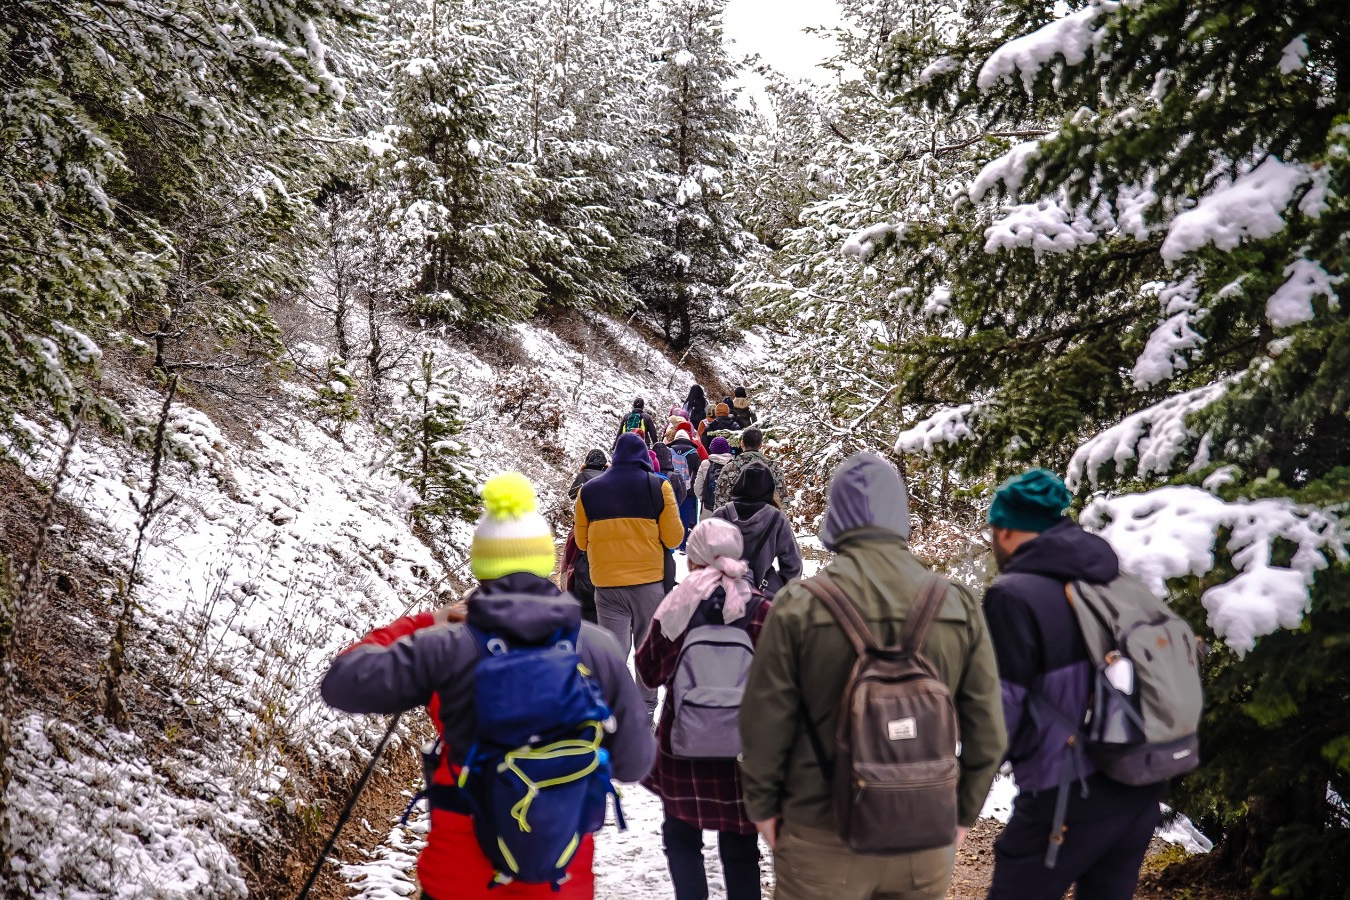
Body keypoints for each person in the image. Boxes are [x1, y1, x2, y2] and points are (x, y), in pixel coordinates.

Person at [320, 472, 657, 900]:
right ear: (546, 565)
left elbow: (343, 682)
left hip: (460, 877)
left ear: (482, 567)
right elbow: (633, 764)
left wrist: (428, 621)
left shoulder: (446, 643)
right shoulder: (597, 647)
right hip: (562, 881)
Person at [739, 452, 1007, 900]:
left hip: (819, 836)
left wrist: (764, 809)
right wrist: (959, 818)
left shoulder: (799, 605)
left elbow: (762, 726)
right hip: (925, 836)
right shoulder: (955, 603)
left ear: (834, 517)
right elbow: (989, 733)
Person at [982, 469, 1166, 900]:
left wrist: (961, 790)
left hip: (1064, 794)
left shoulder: (1013, 594)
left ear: (1006, 530)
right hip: (1137, 790)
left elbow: (1000, 711)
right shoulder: (1113, 579)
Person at [635, 518, 771, 900]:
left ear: (693, 558)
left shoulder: (676, 608)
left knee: (681, 840)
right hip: (744, 752)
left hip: (683, 748)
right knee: (742, 849)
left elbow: (647, 671)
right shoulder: (761, 609)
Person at [575, 432, 685, 718]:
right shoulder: (657, 486)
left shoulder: (588, 491)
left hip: (607, 584)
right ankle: (646, 713)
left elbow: (581, 542)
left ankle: (611, 711)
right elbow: (674, 539)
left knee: (613, 651)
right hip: (648, 582)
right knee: (647, 650)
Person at [711, 463, 801, 594]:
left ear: (739, 484)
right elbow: (793, 565)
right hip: (761, 598)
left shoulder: (720, 515)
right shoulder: (776, 519)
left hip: (720, 595)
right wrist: (780, 589)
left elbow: (701, 557)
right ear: (769, 489)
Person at [713, 428, 786, 510]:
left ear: (742, 443)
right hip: (767, 519)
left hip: (736, 519)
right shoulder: (774, 468)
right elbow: (783, 499)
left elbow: (720, 500)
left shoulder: (730, 468)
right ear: (760, 445)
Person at [667, 423, 707, 547]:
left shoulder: (669, 451)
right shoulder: (693, 452)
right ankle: (682, 543)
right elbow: (699, 469)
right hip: (688, 491)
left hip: (671, 487)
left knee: (672, 514)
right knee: (684, 516)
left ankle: (671, 541)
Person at [694, 437, 735, 522]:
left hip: (708, 510)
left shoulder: (705, 464)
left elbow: (697, 488)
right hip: (728, 511)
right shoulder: (733, 465)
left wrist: (705, 499)